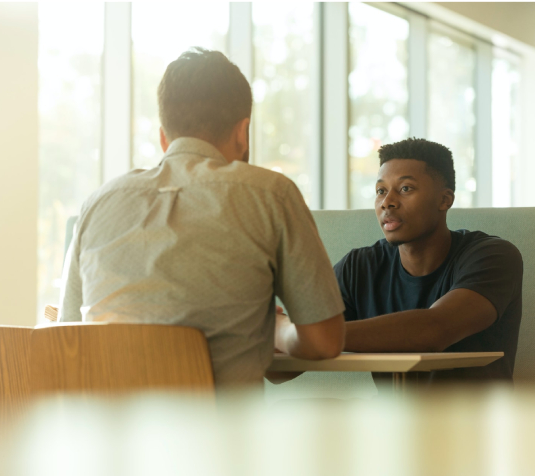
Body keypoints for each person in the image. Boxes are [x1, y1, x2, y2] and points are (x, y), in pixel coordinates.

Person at [59, 48, 345, 388]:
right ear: (243, 132)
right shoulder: (271, 194)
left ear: (164, 137)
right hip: (220, 436)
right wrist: (277, 330)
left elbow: (66, 338)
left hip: (105, 435)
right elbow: (324, 342)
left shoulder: (97, 203)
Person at [331, 137, 522, 389]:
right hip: (392, 421)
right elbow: (282, 371)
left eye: (405, 188)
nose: (387, 201)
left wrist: (311, 335)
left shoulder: (493, 256)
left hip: (476, 423)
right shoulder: (358, 267)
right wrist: (278, 330)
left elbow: (433, 330)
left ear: (445, 200)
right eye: (380, 191)